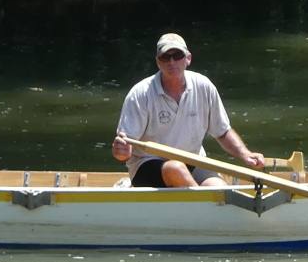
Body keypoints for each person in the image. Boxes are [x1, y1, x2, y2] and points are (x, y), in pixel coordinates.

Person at [112, 31, 265, 188]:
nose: (172, 62)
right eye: (165, 57)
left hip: (193, 160)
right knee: (176, 168)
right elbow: (123, 150)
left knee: (218, 187)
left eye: (177, 55)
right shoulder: (140, 93)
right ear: (158, 62)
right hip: (147, 164)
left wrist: (246, 154)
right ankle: (201, 201)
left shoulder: (204, 86)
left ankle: (203, 198)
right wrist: (121, 152)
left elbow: (223, 132)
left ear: (188, 58)